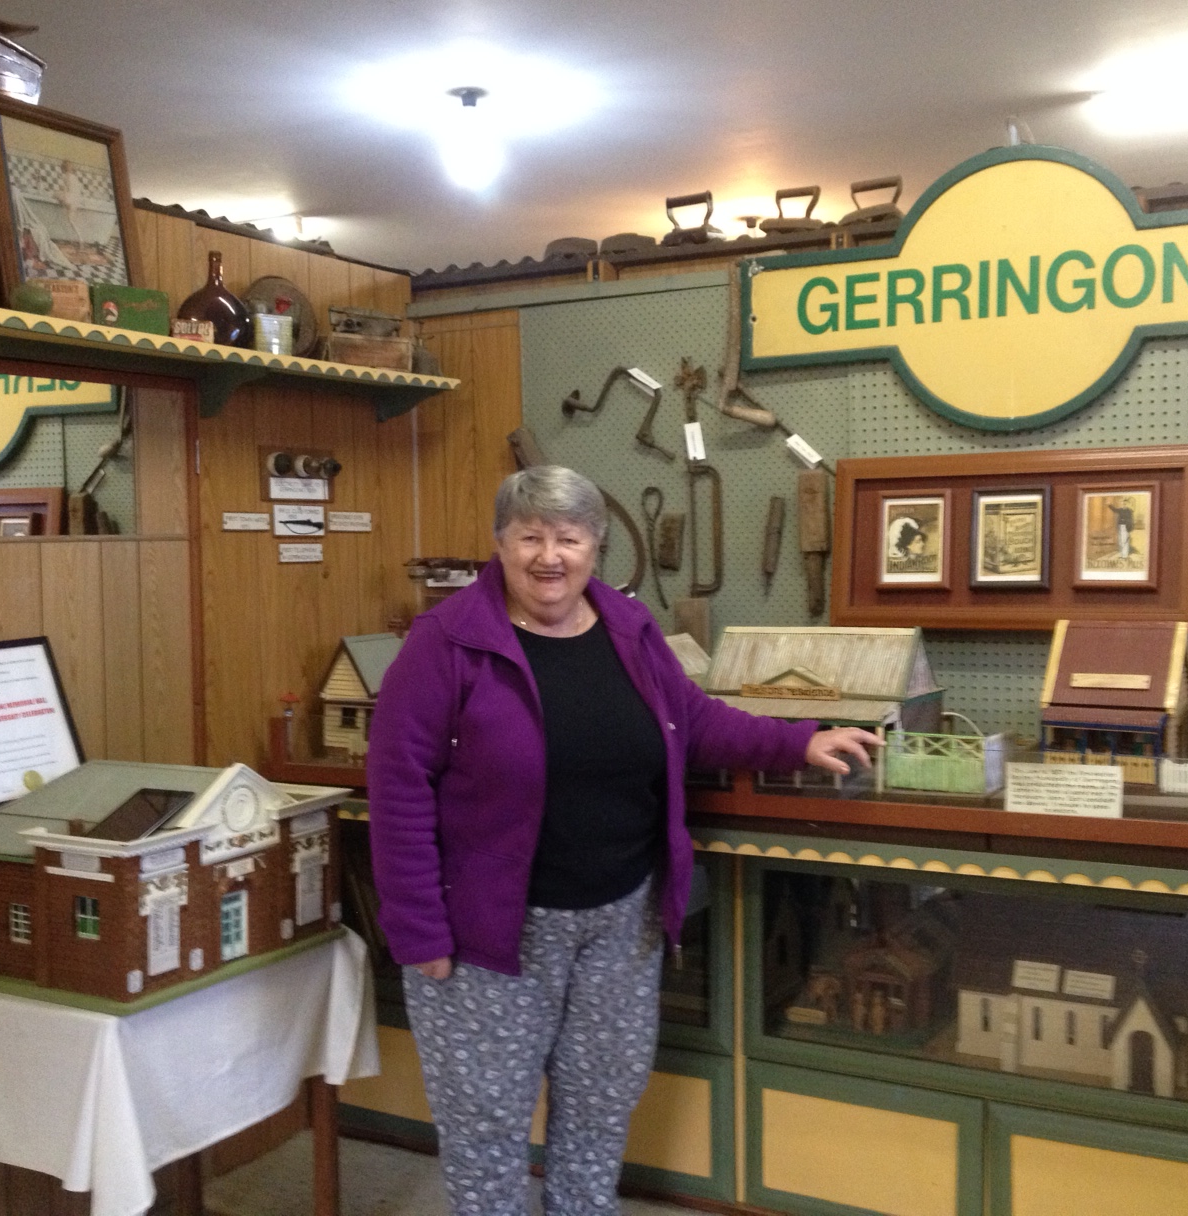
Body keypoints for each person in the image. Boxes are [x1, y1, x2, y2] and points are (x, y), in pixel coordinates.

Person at [367, 465, 880, 1216]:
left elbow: (694, 720)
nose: (550, 557)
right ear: (500, 544)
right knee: (486, 1125)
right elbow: (398, 788)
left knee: (599, 1108)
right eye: (530, 537)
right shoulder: (446, 642)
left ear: (596, 545)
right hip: (490, 936)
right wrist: (418, 930)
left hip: (621, 922)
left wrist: (798, 741)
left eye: (568, 538)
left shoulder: (629, 629)